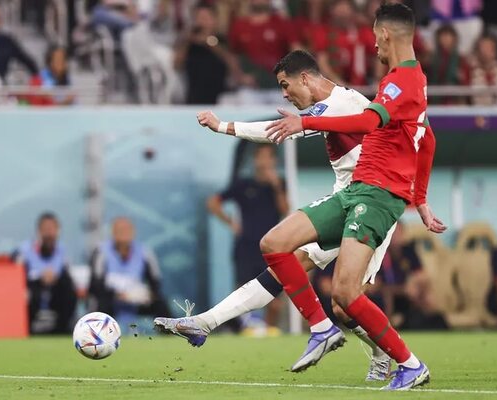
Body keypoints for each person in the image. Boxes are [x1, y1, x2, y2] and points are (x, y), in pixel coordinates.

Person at [155, 49, 397, 382]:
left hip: (371, 208)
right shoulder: (333, 105)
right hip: (346, 202)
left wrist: (222, 125)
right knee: (286, 262)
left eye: (285, 85)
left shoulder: (341, 105)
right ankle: (206, 323)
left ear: (305, 78)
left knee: (344, 304)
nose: (284, 93)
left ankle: (392, 356)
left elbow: (277, 130)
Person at [263, 3, 445, 390]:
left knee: (345, 292)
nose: (372, 45)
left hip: (379, 194)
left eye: (374, 37)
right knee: (274, 244)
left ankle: (410, 364)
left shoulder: (403, 82)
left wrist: (305, 120)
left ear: (384, 35)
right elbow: (427, 139)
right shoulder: (404, 79)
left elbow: (368, 121)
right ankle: (321, 330)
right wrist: (423, 201)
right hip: (357, 188)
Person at [206, 144, 288, 334]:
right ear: (255, 160)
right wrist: (230, 222)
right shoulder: (243, 185)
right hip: (246, 246)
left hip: (272, 247)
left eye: (269, 157)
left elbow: (285, 210)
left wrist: (275, 186)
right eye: (261, 157)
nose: (265, 161)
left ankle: (269, 331)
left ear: (274, 161)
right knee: (242, 291)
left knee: (274, 298)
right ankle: (244, 330)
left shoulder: (279, 184)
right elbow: (213, 202)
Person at [88, 217, 170, 327]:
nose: (124, 233)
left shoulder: (144, 251)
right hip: (111, 299)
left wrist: (145, 294)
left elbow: (155, 281)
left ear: (133, 232)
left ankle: (169, 333)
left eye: (127, 229)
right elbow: (95, 284)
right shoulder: (101, 251)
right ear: (113, 232)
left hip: (136, 298)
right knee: (102, 304)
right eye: (120, 229)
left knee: (160, 303)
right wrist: (118, 295)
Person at [369, 222, 447, 330]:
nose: (396, 236)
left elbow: (420, 273)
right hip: (386, 291)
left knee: (424, 290)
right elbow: (375, 281)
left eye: (399, 233)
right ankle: (387, 328)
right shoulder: (380, 251)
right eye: (394, 233)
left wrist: (413, 281)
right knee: (385, 294)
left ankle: (433, 321)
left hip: (407, 291)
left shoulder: (408, 250)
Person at [12, 212, 77, 334]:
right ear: (38, 232)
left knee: (67, 288)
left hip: (55, 294)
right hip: (32, 294)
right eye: (45, 229)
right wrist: (40, 278)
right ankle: (27, 329)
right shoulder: (24, 251)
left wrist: (55, 277)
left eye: (52, 229)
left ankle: (62, 329)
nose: (48, 234)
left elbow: (68, 277)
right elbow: (15, 278)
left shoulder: (62, 251)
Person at [228, 0, 300, 92]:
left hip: (277, 86)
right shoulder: (239, 25)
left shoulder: (282, 23)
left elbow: (297, 51)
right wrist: (240, 76)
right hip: (250, 86)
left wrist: (290, 75)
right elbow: (232, 56)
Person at [312, 0, 376, 87]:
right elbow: (322, 62)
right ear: (331, 10)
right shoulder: (323, 31)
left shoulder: (363, 31)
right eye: (339, 6)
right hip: (334, 86)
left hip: (363, 86)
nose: (343, 10)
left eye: (346, 6)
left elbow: (377, 56)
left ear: (352, 10)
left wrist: (378, 79)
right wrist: (338, 83)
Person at [426, 24, 469, 104]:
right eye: (443, 36)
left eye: (448, 36)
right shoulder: (431, 59)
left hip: (454, 101)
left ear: (454, 39)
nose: (445, 39)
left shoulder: (460, 60)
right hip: (433, 100)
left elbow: (465, 81)